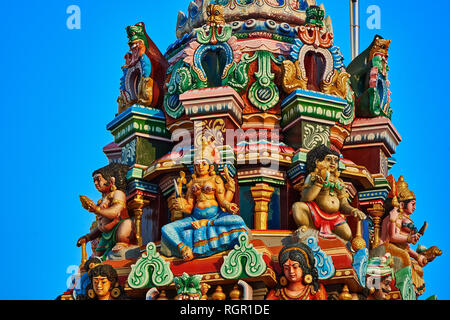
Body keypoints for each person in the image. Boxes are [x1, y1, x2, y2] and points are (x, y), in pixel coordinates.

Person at [160, 137, 248, 261]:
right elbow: (190, 207)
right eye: (198, 164)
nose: (200, 166)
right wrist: (182, 206)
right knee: (166, 229)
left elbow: (222, 201)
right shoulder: (192, 183)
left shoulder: (215, 180)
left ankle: (208, 223)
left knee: (238, 221)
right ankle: (184, 248)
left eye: (204, 163)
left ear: (210, 166)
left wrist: (229, 206)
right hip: (195, 217)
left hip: (215, 217)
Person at [292, 145, 366, 241]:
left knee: (347, 235)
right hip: (315, 213)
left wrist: (353, 210)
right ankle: (305, 227)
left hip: (334, 217)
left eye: (335, 160)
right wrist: (318, 184)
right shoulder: (313, 176)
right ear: (317, 162)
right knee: (298, 207)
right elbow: (306, 198)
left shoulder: (339, 181)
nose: (332, 163)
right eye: (328, 159)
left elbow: (343, 204)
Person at [77, 163, 136, 260]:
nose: (96, 183)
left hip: (119, 229)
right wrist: (87, 237)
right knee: (95, 260)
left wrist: (97, 210)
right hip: (105, 236)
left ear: (111, 180)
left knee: (126, 224)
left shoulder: (117, 194)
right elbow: (100, 226)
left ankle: (122, 243)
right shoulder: (102, 200)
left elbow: (115, 212)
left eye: (98, 179)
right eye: (94, 181)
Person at [379, 176, 428, 295]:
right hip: (383, 247)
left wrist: (417, 257)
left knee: (418, 268)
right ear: (402, 205)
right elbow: (392, 237)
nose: (415, 207)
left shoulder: (402, 217)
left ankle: (408, 290)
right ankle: (402, 288)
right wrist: (409, 238)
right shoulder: (394, 215)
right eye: (412, 204)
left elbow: (404, 247)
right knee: (404, 257)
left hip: (395, 248)